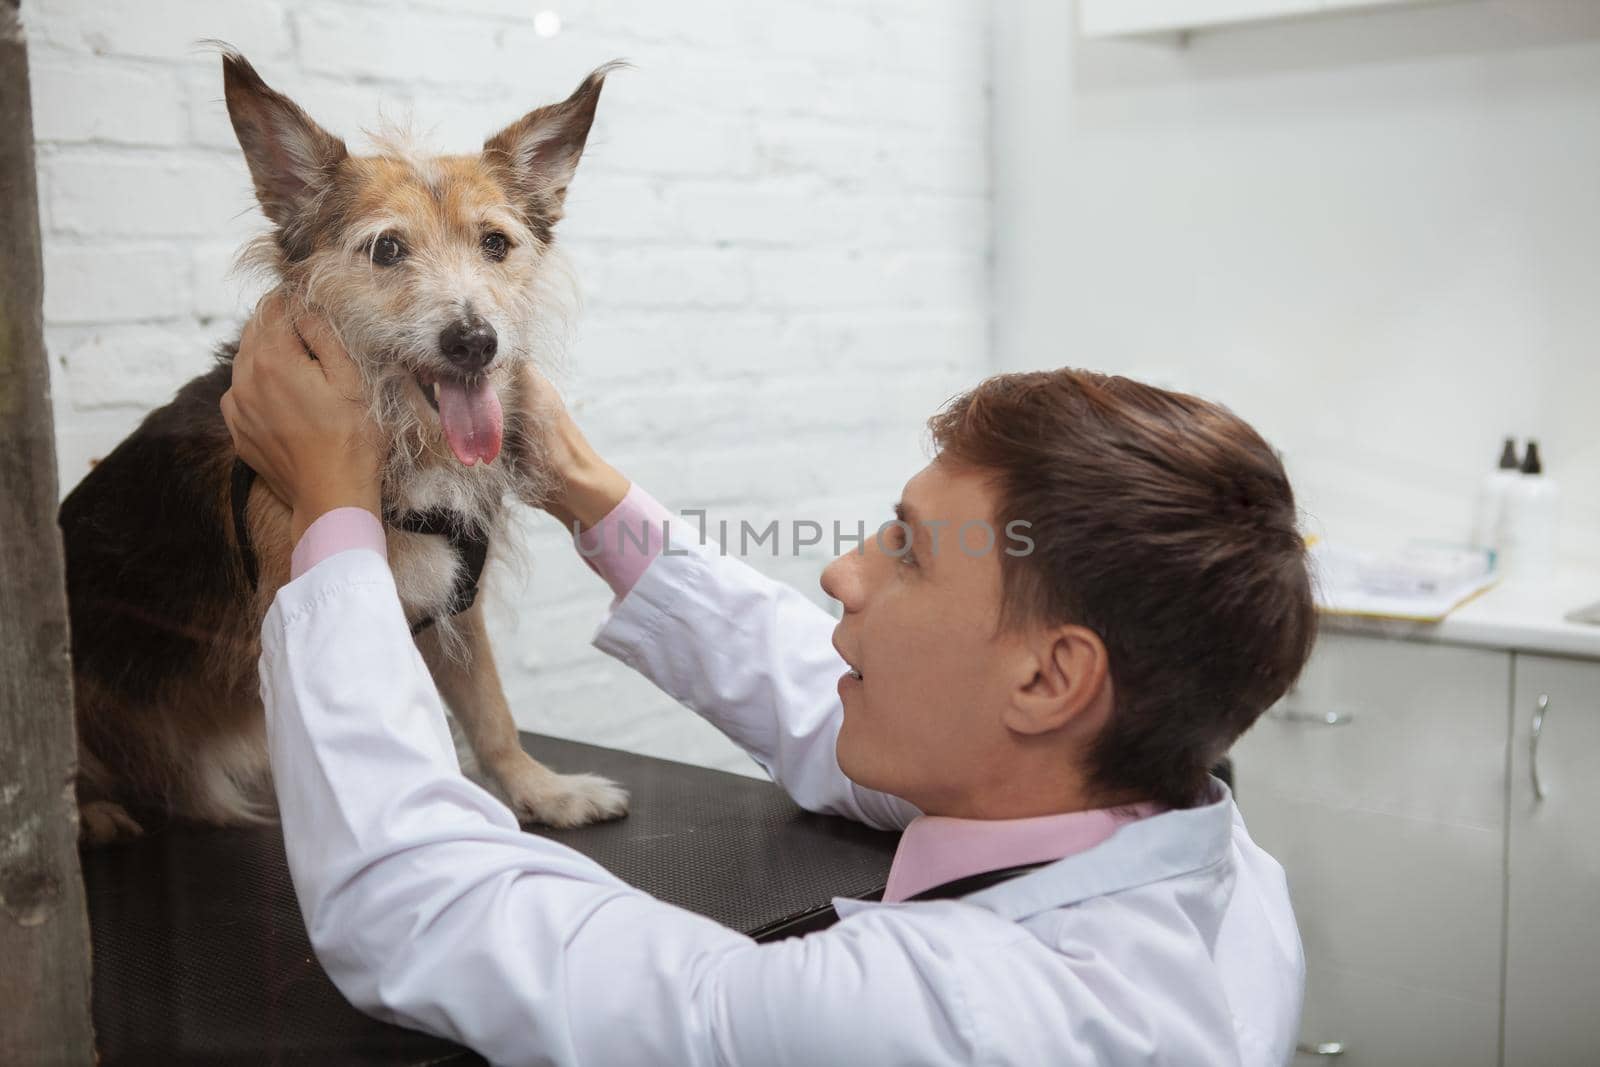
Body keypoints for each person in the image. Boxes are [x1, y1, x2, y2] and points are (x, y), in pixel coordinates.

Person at [220, 299, 1315, 1067]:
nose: (842, 571)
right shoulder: (1209, 858)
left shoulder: (946, 1019)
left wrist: (332, 511)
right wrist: (594, 497)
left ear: (1049, 675)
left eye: (907, 548)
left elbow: (421, 904)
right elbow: (822, 692)